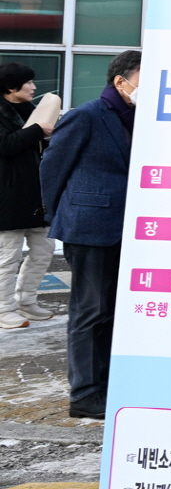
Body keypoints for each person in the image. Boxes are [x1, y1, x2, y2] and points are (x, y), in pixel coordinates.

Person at [41, 50, 141, 419]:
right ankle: (84, 393)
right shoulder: (86, 115)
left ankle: (106, 385)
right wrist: (62, 215)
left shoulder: (143, 118)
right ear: (121, 81)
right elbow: (52, 168)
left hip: (129, 230)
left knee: (113, 311)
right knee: (90, 310)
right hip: (90, 228)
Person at [0, 64, 61, 330]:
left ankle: (27, 301)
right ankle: (3, 309)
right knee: (8, 256)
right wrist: (38, 130)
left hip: (38, 195)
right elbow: (5, 146)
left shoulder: (35, 111)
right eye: (29, 83)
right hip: (7, 196)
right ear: (11, 87)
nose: (34, 87)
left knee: (43, 251)